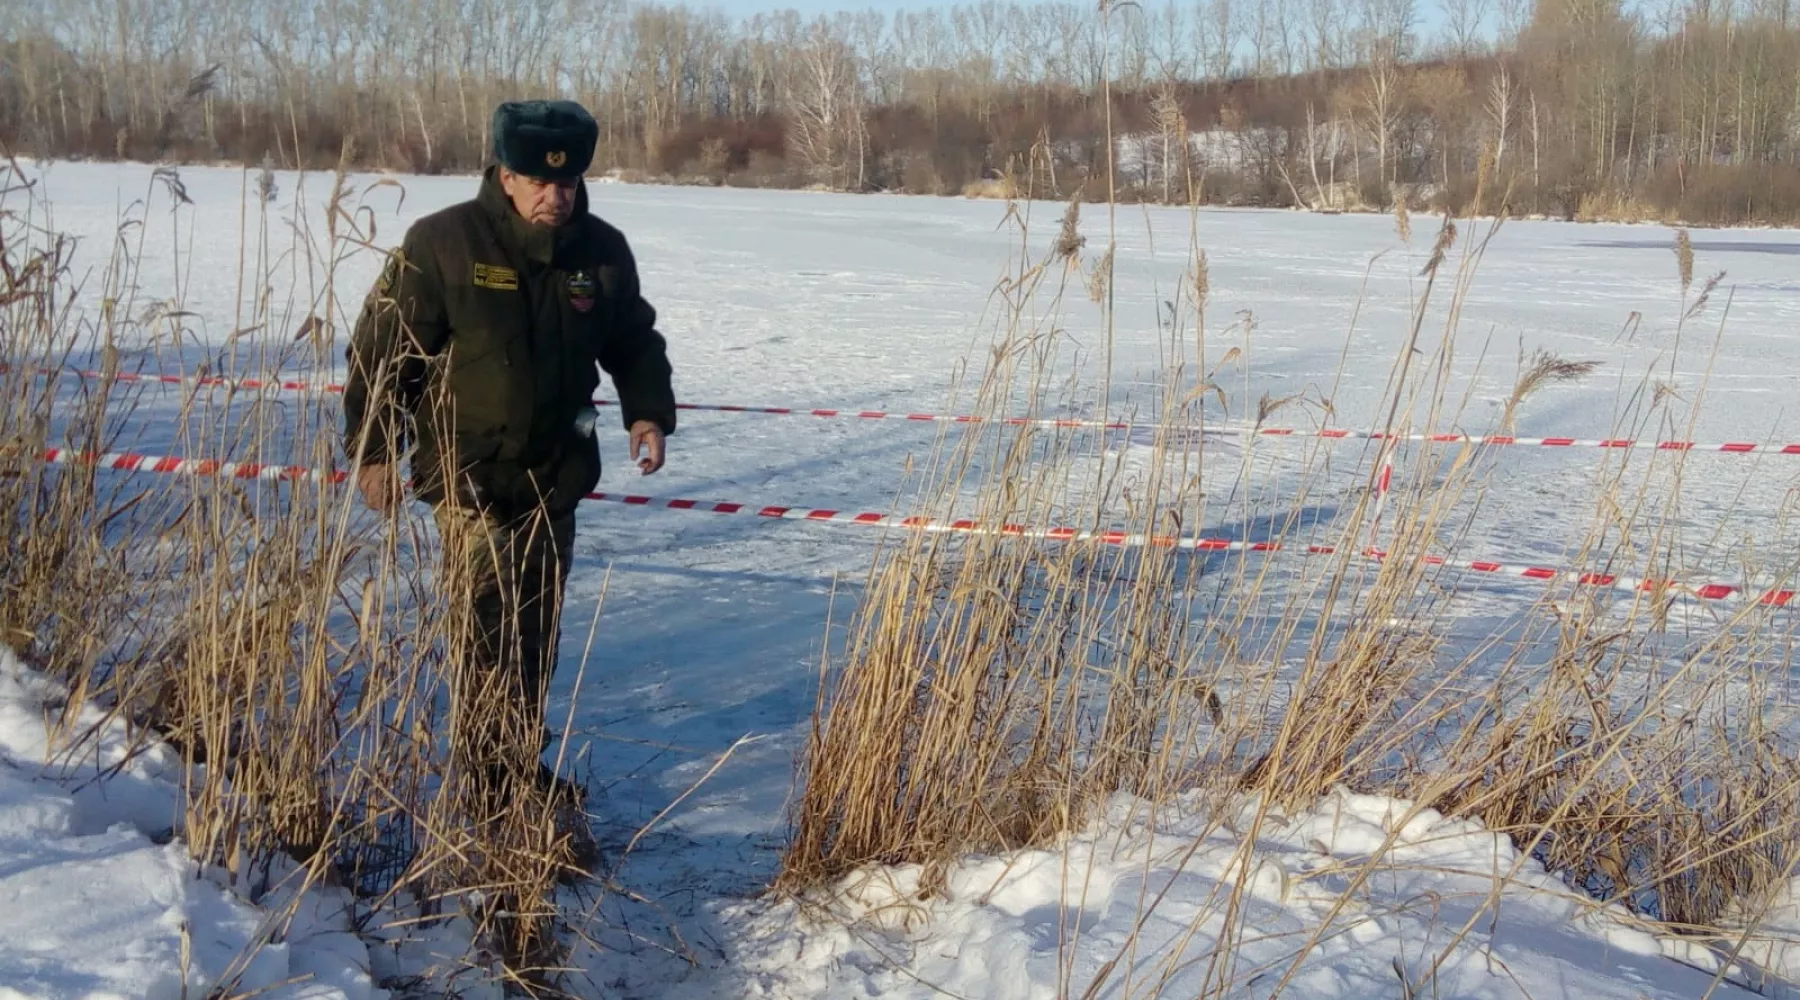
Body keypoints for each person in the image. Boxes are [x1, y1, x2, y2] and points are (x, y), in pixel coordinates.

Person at [343, 99, 675, 874]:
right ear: (504, 171)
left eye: (567, 182)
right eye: (534, 179)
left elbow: (634, 340)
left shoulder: (602, 252)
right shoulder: (446, 242)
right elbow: (382, 354)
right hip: (469, 481)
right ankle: (493, 793)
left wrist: (647, 413)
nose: (553, 196)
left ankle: (517, 765)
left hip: (553, 479)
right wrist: (376, 449)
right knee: (487, 635)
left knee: (537, 634)